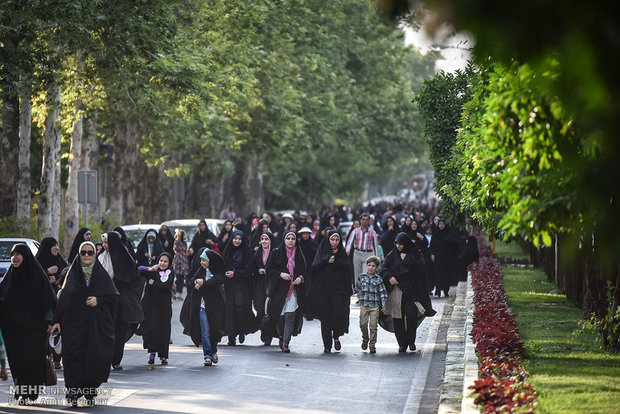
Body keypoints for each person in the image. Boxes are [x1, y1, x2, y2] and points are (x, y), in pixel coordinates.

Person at [52, 241, 119, 407]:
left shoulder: (101, 275)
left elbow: (113, 297)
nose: (87, 255)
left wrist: (99, 300)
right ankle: (73, 392)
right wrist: (56, 321)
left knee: (94, 358)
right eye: (84, 253)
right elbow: (64, 300)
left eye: (90, 252)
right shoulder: (72, 275)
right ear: (79, 255)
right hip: (73, 327)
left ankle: (89, 391)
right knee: (72, 359)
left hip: (95, 327)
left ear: (94, 255)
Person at [0, 244, 57, 403]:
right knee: (17, 363)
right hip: (12, 331)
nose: (15, 257)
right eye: (13, 255)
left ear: (26, 256)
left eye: (18, 254)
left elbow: (49, 300)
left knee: (32, 363)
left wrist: (48, 322)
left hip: (34, 330)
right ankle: (20, 391)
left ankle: (31, 392)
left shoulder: (38, 277)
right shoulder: (9, 277)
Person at [381, 233, 436, 352]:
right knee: (397, 317)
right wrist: (389, 277)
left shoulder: (415, 253)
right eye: (396, 243)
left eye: (401, 243)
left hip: (412, 291)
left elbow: (421, 268)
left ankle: (411, 341)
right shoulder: (392, 255)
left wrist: (407, 259)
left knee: (411, 315)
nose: (398, 246)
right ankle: (402, 344)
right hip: (397, 291)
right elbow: (384, 268)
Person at [99, 232, 144, 370]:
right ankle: (104, 359)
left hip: (121, 302)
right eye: (104, 242)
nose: (104, 245)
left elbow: (134, 279)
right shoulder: (101, 258)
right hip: (105, 301)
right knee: (105, 331)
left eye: (107, 242)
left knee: (119, 332)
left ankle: (116, 360)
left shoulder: (125, 259)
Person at [180, 248, 226, 366]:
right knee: (205, 331)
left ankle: (214, 352)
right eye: (200, 260)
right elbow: (191, 281)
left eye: (204, 260)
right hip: (202, 306)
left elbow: (217, 281)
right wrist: (196, 283)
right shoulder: (200, 271)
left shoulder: (217, 272)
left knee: (214, 330)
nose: (201, 262)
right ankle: (207, 355)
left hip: (215, 307)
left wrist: (203, 283)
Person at [308, 230, 352, 353]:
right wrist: (326, 261)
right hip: (323, 291)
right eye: (332, 240)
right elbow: (314, 269)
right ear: (328, 240)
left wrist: (348, 290)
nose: (334, 242)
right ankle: (327, 345)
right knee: (325, 317)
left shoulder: (342, 254)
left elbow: (347, 272)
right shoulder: (322, 252)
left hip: (339, 291)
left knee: (337, 314)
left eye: (337, 240)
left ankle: (336, 336)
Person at [265, 231, 307, 353]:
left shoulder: (299, 253)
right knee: (280, 316)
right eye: (288, 238)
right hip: (279, 291)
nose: (290, 241)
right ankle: (281, 336)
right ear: (284, 239)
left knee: (290, 315)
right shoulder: (276, 253)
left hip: (293, 291)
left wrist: (300, 278)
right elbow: (269, 270)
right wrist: (281, 274)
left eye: (293, 238)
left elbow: (304, 271)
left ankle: (285, 343)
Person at [138, 252, 175, 367]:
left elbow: (168, 286)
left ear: (169, 263)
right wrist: (150, 269)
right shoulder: (153, 271)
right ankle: (152, 353)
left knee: (164, 329)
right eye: (161, 261)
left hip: (164, 307)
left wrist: (154, 283)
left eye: (165, 261)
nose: (163, 263)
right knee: (152, 329)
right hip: (151, 306)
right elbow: (139, 269)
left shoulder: (171, 272)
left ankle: (163, 355)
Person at [221, 230, 254, 346]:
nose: (237, 241)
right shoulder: (227, 251)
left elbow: (249, 269)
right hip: (229, 285)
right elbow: (222, 266)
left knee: (240, 308)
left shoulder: (246, 252)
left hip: (242, 284)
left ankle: (241, 331)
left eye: (239, 239)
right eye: (235, 238)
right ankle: (231, 336)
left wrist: (236, 273)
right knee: (230, 310)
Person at [354, 256, 387, 354]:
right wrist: (346, 294)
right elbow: (357, 289)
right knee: (363, 324)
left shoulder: (378, 279)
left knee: (373, 326)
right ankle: (365, 339)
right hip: (364, 304)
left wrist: (384, 303)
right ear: (366, 266)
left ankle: (372, 345)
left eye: (373, 266)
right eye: (369, 265)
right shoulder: (362, 277)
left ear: (377, 268)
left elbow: (383, 292)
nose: (371, 267)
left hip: (374, 306)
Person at [248, 232, 276, 345]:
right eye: (262, 239)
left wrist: (269, 271)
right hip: (259, 285)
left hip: (271, 285)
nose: (264, 241)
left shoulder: (275, 253)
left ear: (271, 241)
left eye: (266, 239)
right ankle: (263, 331)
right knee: (260, 310)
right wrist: (258, 270)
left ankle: (268, 335)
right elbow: (251, 268)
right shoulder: (257, 253)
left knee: (270, 311)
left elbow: (279, 268)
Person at [345, 213, 380, 287]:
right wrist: (347, 251)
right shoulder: (355, 231)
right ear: (360, 220)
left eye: (367, 220)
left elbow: (375, 246)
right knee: (357, 275)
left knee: (366, 274)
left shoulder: (372, 232)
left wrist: (377, 260)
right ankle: (358, 294)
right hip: (357, 253)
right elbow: (349, 242)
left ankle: (365, 292)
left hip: (368, 254)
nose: (365, 221)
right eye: (363, 219)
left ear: (369, 221)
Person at [172, 229, 190, 300]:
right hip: (178, 260)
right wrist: (178, 233)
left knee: (182, 278)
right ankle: (174, 292)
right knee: (177, 278)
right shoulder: (177, 242)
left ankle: (179, 294)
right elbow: (177, 241)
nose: (186, 236)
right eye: (184, 234)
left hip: (183, 261)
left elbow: (186, 252)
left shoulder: (185, 243)